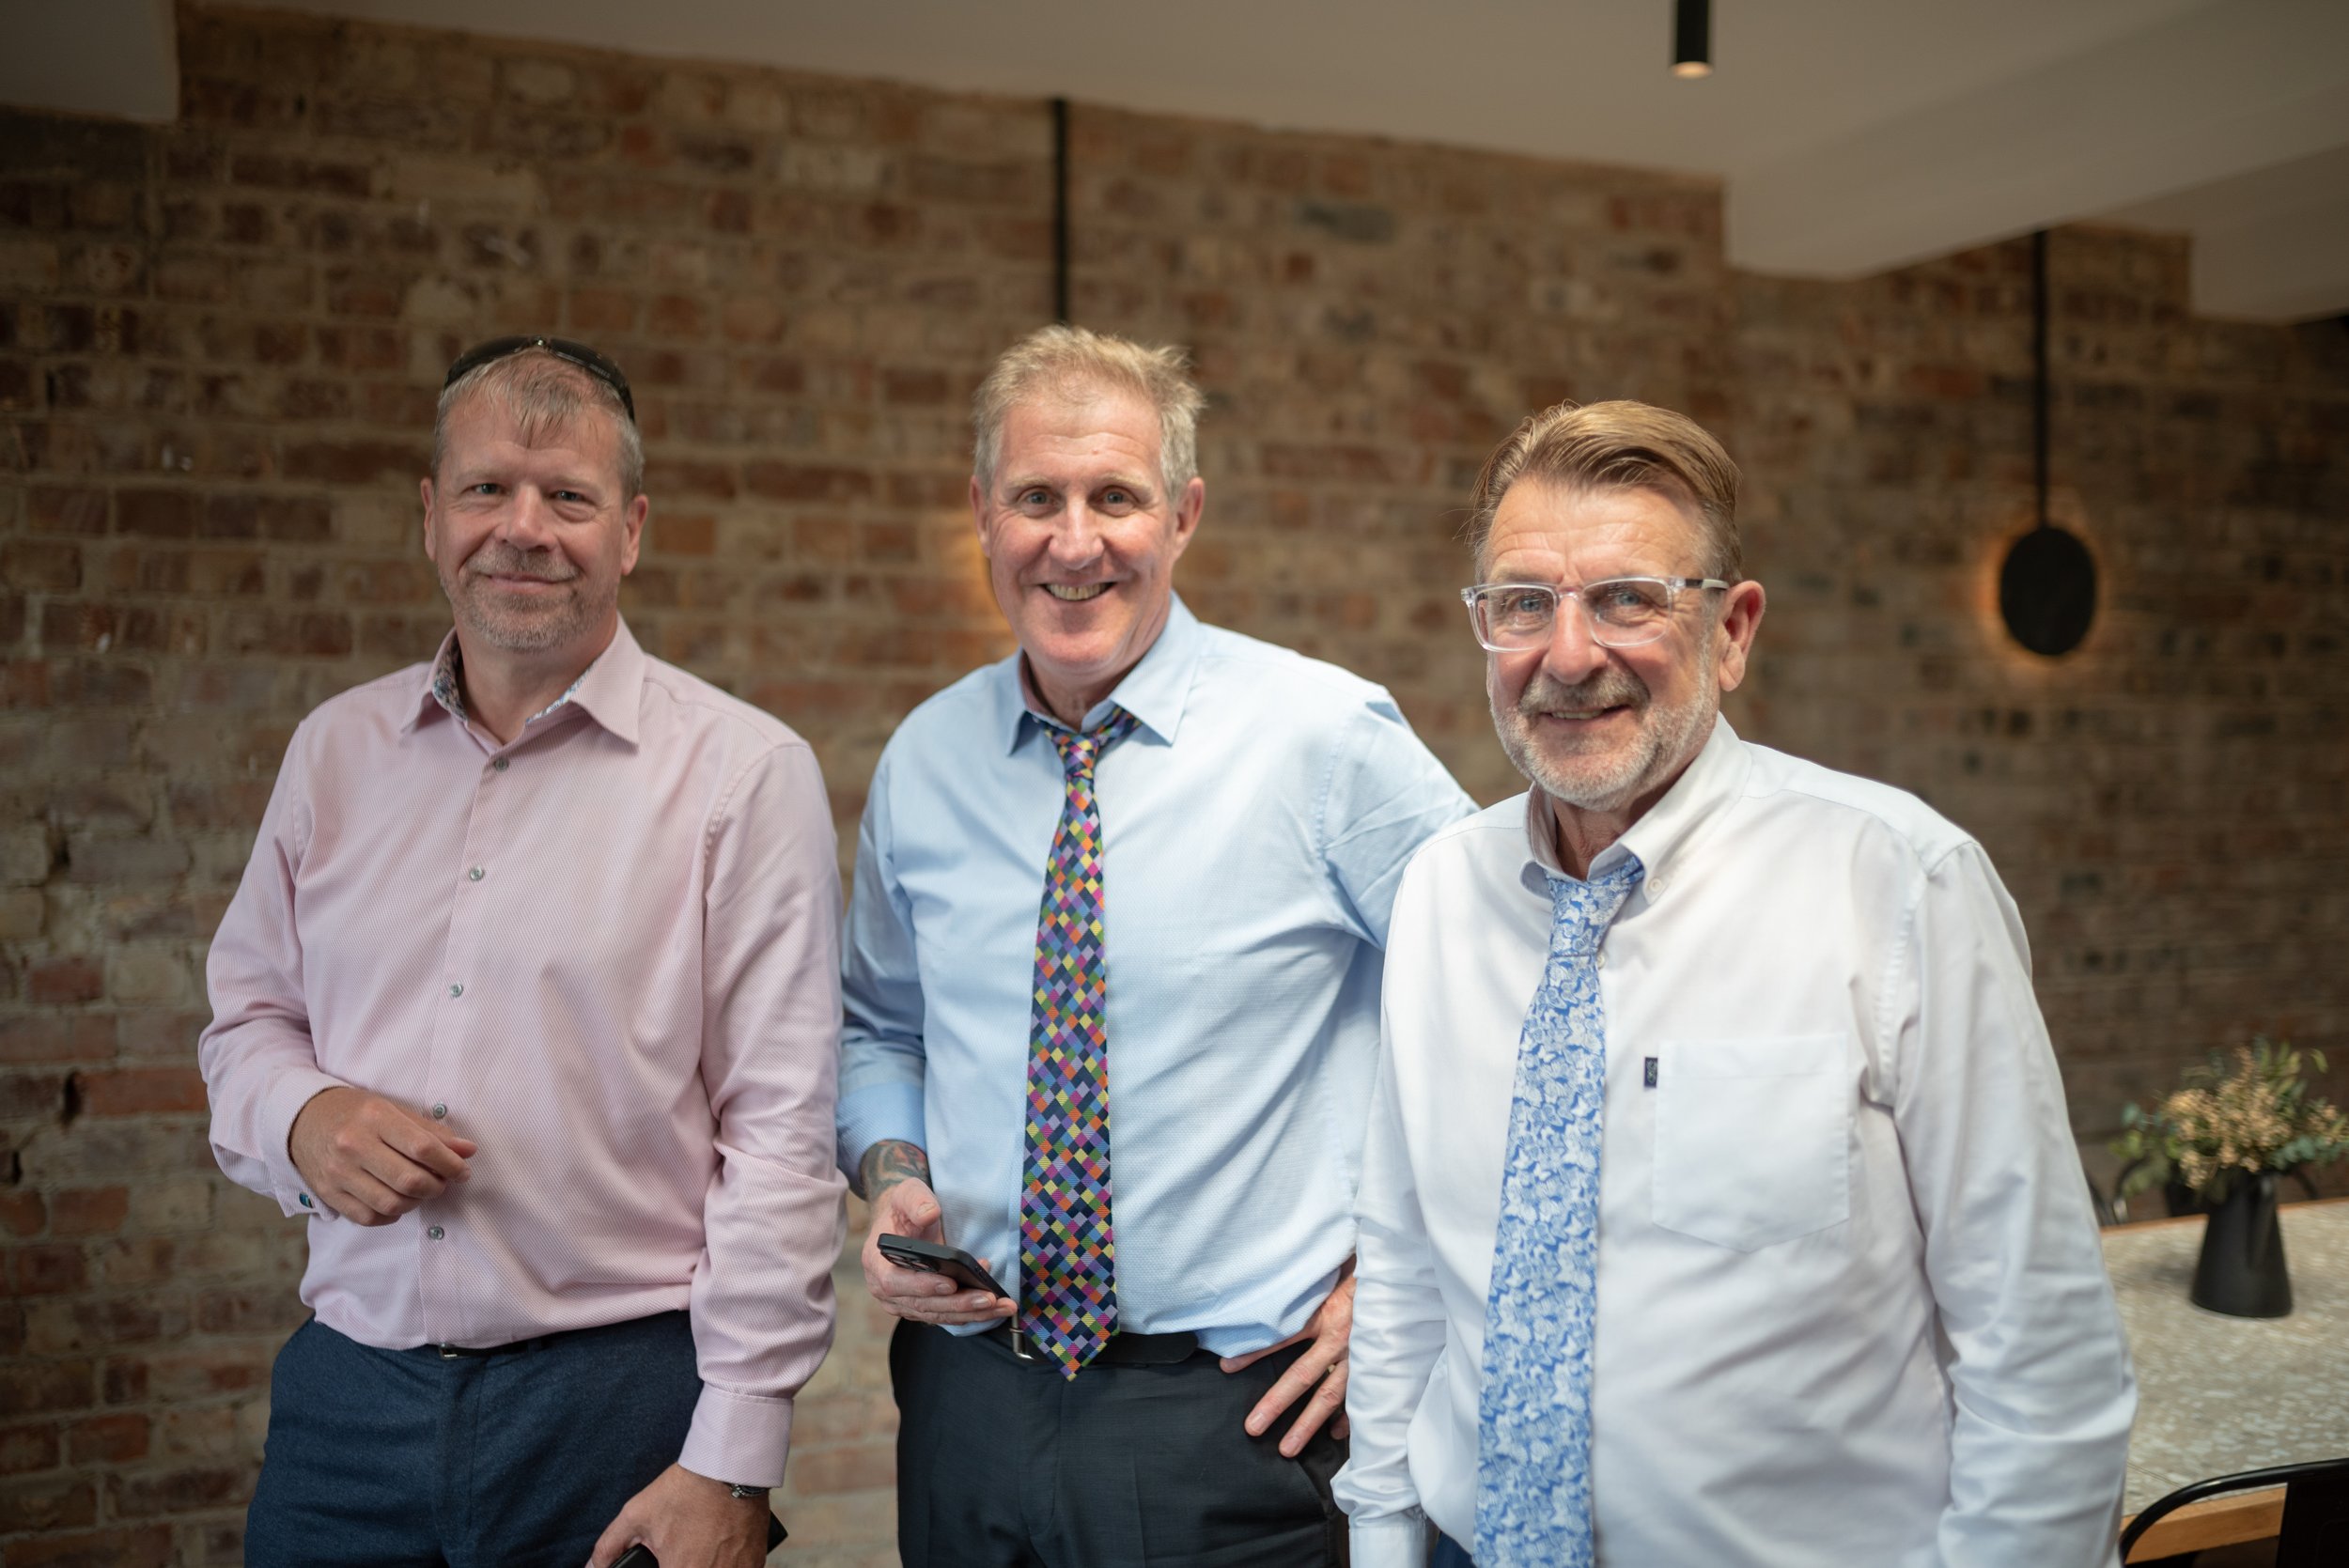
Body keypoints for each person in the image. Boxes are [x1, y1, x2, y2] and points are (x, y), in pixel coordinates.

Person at [1337, 400, 2137, 1568]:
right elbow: (1407, 1268)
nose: (1567, 656)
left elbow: (2038, 1349)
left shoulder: (1899, 881)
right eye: (1524, 603)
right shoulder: (1439, 896)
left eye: (1627, 599)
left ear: (1731, 630)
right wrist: (1381, 1539)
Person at [198, 336, 846, 1568]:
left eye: (571, 498)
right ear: (431, 515)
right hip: (347, 1408)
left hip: (621, 1413)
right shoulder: (332, 754)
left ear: (633, 530)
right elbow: (244, 1024)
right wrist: (300, 1116)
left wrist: (735, 1455)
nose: (525, 528)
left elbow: (782, 1131)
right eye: (489, 488)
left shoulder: (745, 775)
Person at [839, 324, 1474, 1565]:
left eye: (1114, 496)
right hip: (970, 1402)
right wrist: (893, 1177)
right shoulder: (925, 758)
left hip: (1235, 1420)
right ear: (982, 513)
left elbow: (1506, 1006)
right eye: (1037, 497)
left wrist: (1409, 1279)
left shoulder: (1326, 741)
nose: (1074, 542)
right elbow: (879, 1026)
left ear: (1182, 514)